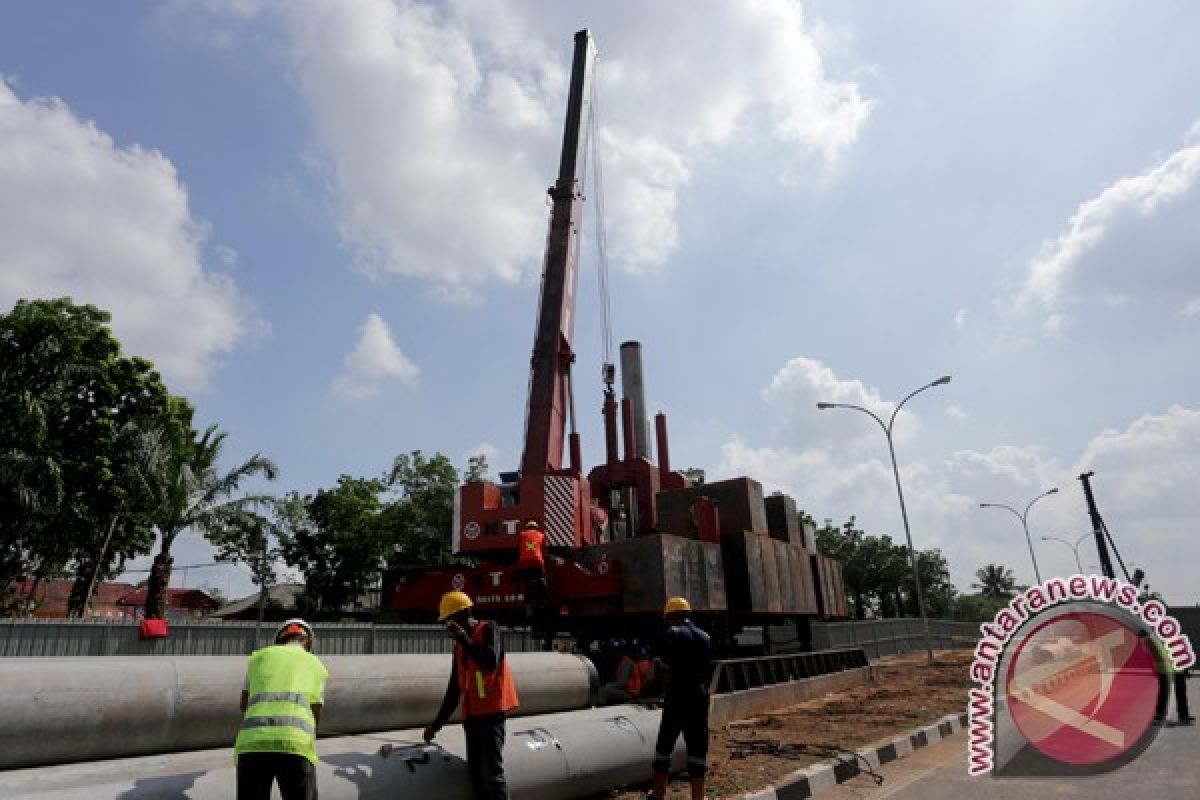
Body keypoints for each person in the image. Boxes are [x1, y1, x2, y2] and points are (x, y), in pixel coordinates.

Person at [424, 591, 520, 799]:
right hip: (473, 719)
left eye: (450, 620)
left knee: (492, 775)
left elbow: (490, 661)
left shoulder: (489, 629)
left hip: (492, 716)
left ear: (464, 614)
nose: (448, 626)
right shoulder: (459, 647)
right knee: (475, 775)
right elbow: (454, 690)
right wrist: (436, 725)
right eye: (446, 622)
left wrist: (464, 639)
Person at [235, 618, 329, 800]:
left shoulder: (258, 659)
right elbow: (316, 709)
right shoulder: (315, 665)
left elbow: (243, 703)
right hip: (295, 745)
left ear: (279, 639)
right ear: (307, 641)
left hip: (253, 743)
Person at [648, 597, 711, 800]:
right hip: (699, 696)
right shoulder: (705, 637)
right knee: (697, 746)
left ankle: (658, 793)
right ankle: (698, 796)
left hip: (677, 695)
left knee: (665, 745)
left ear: (671, 616)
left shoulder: (671, 634)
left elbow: (664, 665)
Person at [598, 639, 644, 705]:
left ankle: (601, 712)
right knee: (603, 689)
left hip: (630, 693)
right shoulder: (620, 662)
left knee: (603, 691)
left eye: (617, 650)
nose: (615, 653)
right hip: (625, 691)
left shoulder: (626, 662)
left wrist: (607, 685)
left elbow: (622, 683)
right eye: (614, 650)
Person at [515, 519, 549, 609]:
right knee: (542, 581)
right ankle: (541, 603)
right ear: (536, 527)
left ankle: (528, 604)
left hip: (524, 564)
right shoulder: (541, 535)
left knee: (528, 584)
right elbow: (544, 550)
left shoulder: (522, 535)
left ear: (527, 527)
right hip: (537, 563)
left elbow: (518, 548)